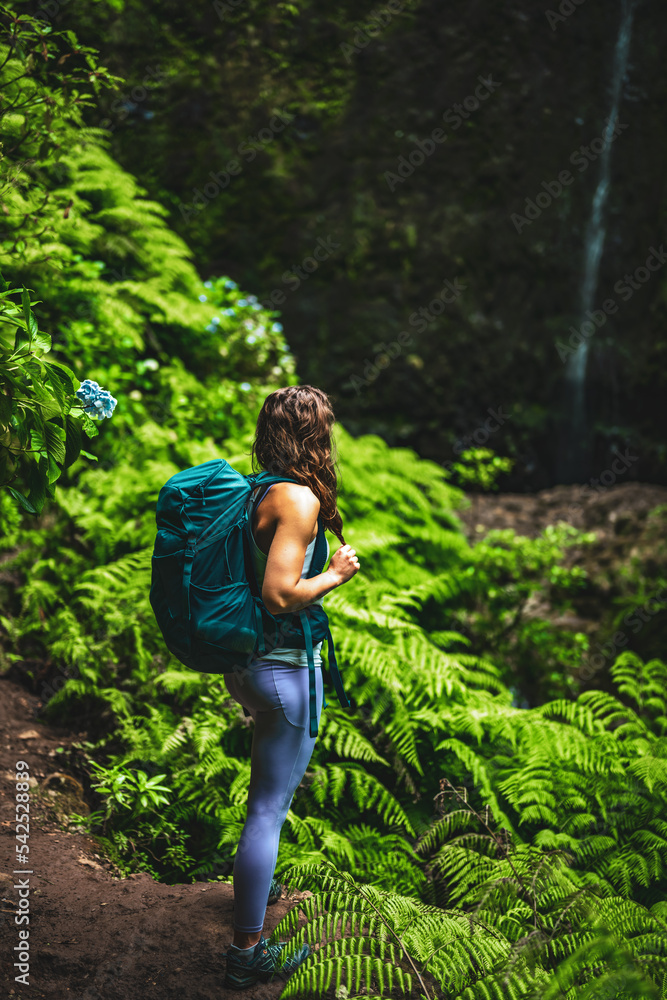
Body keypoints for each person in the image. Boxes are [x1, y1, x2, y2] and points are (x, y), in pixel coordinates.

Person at [222, 385, 360, 990]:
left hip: (250, 663)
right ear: (313, 434)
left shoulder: (259, 488)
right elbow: (280, 593)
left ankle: (256, 887)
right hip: (282, 669)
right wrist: (334, 575)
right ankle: (245, 952)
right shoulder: (298, 499)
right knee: (268, 811)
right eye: (325, 427)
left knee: (263, 803)